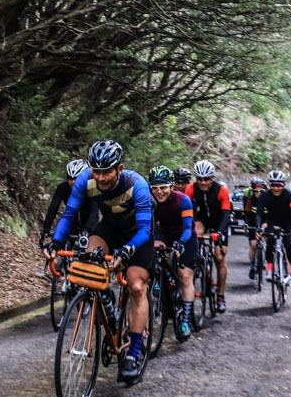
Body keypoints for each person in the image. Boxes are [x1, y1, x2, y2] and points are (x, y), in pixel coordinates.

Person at [47, 140, 153, 378]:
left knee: (136, 286)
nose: (101, 177)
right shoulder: (86, 180)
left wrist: (127, 250)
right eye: (97, 171)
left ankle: (133, 352)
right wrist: (56, 242)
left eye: (107, 172)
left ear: (120, 168)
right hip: (109, 228)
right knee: (86, 261)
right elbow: (69, 213)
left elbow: (145, 230)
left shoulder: (138, 185)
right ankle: (106, 300)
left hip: (137, 233)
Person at [147, 165, 196, 338]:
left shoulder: (183, 200)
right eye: (155, 187)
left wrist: (181, 243)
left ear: (171, 186)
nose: (159, 191)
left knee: (185, 276)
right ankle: (161, 277)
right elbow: (148, 226)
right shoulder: (148, 199)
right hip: (165, 232)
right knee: (156, 249)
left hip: (185, 235)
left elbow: (189, 228)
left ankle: (185, 321)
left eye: (163, 187)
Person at [188, 159, 231, 313]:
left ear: (212, 178)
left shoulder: (221, 191)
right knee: (195, 233)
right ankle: (200, 262)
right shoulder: (191, 188)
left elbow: (227, 215)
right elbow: (186, 210)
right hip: (203, 219)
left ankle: (220, 296)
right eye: (199, 179)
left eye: (206, 179)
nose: (203, 182)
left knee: (219, 258)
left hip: (220, 222)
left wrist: (219, 233)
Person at [256, 170, 291, 287]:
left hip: (289, 223)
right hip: (273, 222)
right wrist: (258, 227)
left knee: (290, 245)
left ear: (284, 185)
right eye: (272, 185)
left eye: (278, 185)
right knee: (270, 242)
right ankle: (269, 270)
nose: (275, 188)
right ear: (269, 185)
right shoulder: (264, 196)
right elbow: (259, 213)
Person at [38, 159, 97, 250]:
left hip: (89, 222)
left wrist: (87, 230)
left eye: (76, 178)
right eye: (70, 178)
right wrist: (46, 228)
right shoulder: (63, 188)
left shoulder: (91, 189)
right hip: (72, 222)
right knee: (59, 247)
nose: (73, 182)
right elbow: (53, 208)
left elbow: (95, 212)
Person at [245, 176, 266, 279]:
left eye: (261, 191)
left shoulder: (268, 200)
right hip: (253, 224)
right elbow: (247, 214)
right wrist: (246, 224)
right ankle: (252, 266)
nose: (258, 193)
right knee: (253, 245)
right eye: (256, 191)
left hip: (265, 223)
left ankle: (264, 259)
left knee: (267, 240)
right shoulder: (250, 200)